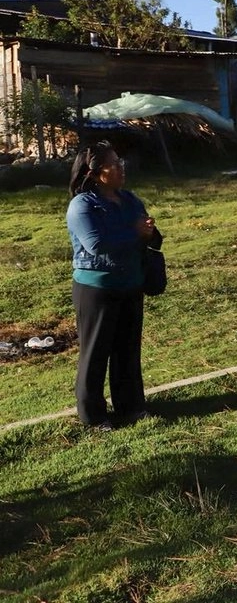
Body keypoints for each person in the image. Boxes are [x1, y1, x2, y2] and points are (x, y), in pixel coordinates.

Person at [66, 141, 159, 430]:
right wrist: (135, 232)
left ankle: (131, 408)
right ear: (93, 173)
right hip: (97, 289)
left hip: (131, 283)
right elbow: (95, 244)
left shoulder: (129, 199)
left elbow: (149, 233)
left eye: (121, 162)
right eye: (114, 164)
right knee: (95, 353)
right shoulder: (83, 205)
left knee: (127, 350)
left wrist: (149, 231)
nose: (121, 168)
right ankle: (94, 416)